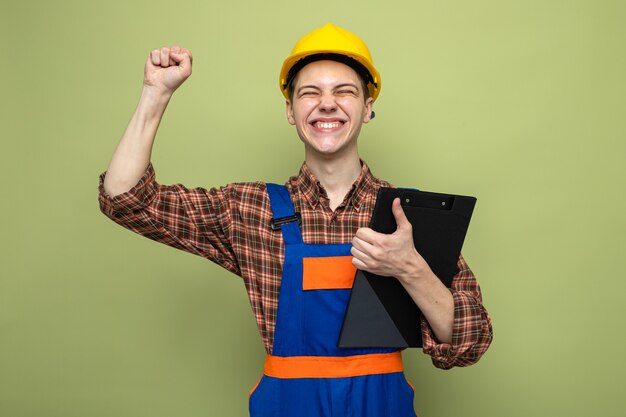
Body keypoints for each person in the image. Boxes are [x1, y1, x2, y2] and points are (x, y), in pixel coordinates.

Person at [99, 23, 492, 417]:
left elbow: (470, 341)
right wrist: (156, 95)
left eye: (345, 91)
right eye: (309, 93)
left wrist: (410, 268)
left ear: (368, 107)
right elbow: (126, 200)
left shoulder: (405, 215)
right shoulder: (249, 209)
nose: (327, 104)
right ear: (290, 111)